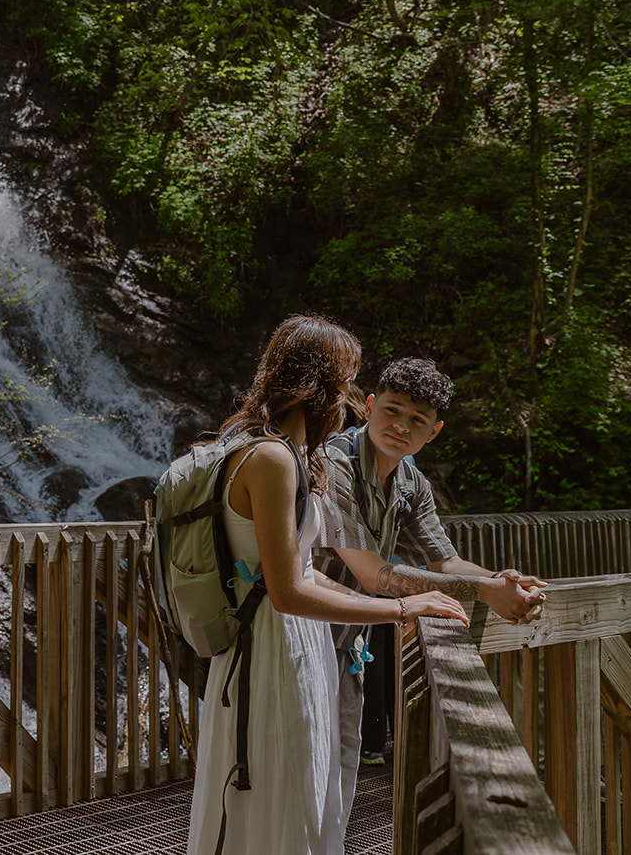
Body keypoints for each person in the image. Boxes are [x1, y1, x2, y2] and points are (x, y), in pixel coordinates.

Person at [187, 318, 469, 855]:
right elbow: (288, 590)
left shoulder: (286, 456)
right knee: (279, 787)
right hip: (273, 644)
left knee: (301, 786)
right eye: (345, 386)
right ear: (317, 387)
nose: (349, 405)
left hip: (299, 642)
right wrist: (402, 609)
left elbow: (302, 572)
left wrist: (412, 602)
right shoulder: (271, 458)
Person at [312, 357, 548, 823]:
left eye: (416, 420)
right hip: (302, 631)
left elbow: (446, 560)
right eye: (392, 411)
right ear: (371, 406)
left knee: (339, 779)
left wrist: (505, 583)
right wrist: (483, 591)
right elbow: (373, 575)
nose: (400, 426)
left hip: (346, 642)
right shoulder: (332, 463)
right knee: (305, 775)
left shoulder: (410, 481)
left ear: (433, 431)